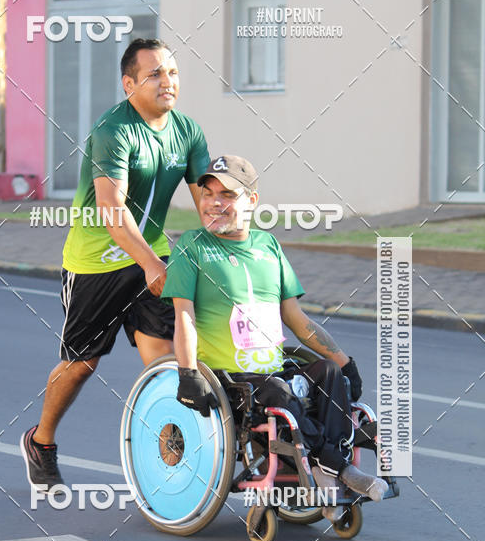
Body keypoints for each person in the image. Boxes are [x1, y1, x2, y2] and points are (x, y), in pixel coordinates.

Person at [21, 39, 210, 490]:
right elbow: (111, 210)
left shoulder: (188, 132)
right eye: (155, 75)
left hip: (152, 256)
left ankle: (171, 458)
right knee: (81, 363)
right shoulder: (114, 129)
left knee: (165, 358)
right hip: (96, 262)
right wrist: (149, 263)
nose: (168, 82)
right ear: (129, 84)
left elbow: (208, 200)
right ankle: (41, 441)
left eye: (174, 73)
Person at [161, 155, 388, 517]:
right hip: (233, 380)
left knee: (328, 375)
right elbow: (183, 316)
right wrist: (187, 373)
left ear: (251, 200)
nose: (214, 203)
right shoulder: (192, 247)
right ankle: (339, 469)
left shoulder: (268, 247)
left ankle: (325, 472)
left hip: (274, 367)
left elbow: (296, 319)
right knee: (279, 393)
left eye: (227, 194)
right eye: (207, 193)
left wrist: (345, 362)